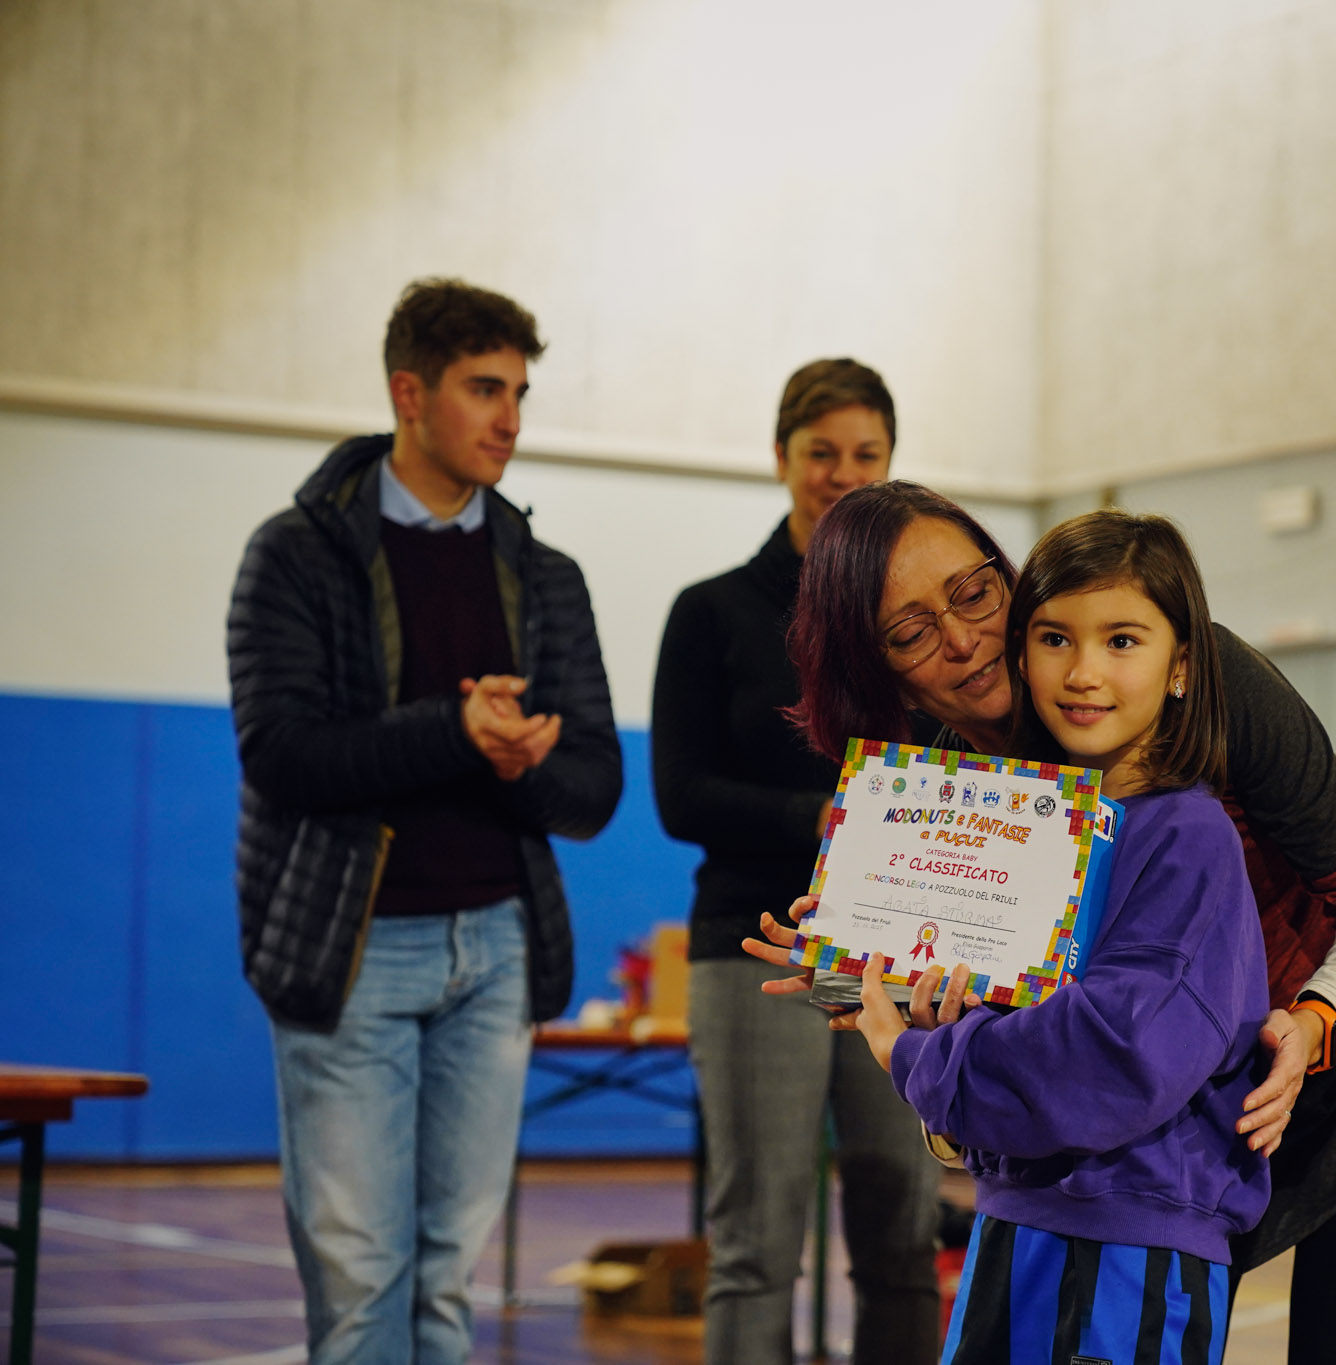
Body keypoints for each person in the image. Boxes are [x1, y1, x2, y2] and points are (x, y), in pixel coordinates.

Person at [756, 479, 1336, 1365]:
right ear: (877, 670)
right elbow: (1022, 1049)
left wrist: (1317, 1021)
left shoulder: (1192, 691)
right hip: (1173, 1115)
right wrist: (874, 974)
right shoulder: (943, 792)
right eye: (910, 632)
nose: (964, 638)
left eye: (974, 593)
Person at [226, 277, 622, 1364]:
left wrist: (521, 762)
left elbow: (594, 787)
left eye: (520, 393)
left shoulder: (545, 575)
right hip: (350, 950)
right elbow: (282, 754)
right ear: (410, 394)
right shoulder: (296, 552)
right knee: (363, 1287)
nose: (510, 419)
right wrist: (456, 730)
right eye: (484, 389)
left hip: (497, 950)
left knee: (446, 1285)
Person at [844, 510, 1271, 1364]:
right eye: (1053, 639)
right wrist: (860, 952)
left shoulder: (1189, 836)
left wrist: (913, 1055)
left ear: (1182, 666)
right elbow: (1007, 1013)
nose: (1082, 672)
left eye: (1122, 640)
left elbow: (1114, 1054)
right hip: (1014, 1219)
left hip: (1131, 1247)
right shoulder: (1040, 834)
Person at [649, 359, 939, 1364]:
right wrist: (822, 818)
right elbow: (681, 796)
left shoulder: (919, 622)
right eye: (822, 453)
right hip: (756, 949)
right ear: (781, 458)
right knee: (756, 1238)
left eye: (866, 454)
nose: (842, 475)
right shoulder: (711, 612)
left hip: (892, 957)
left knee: (904, 1229)